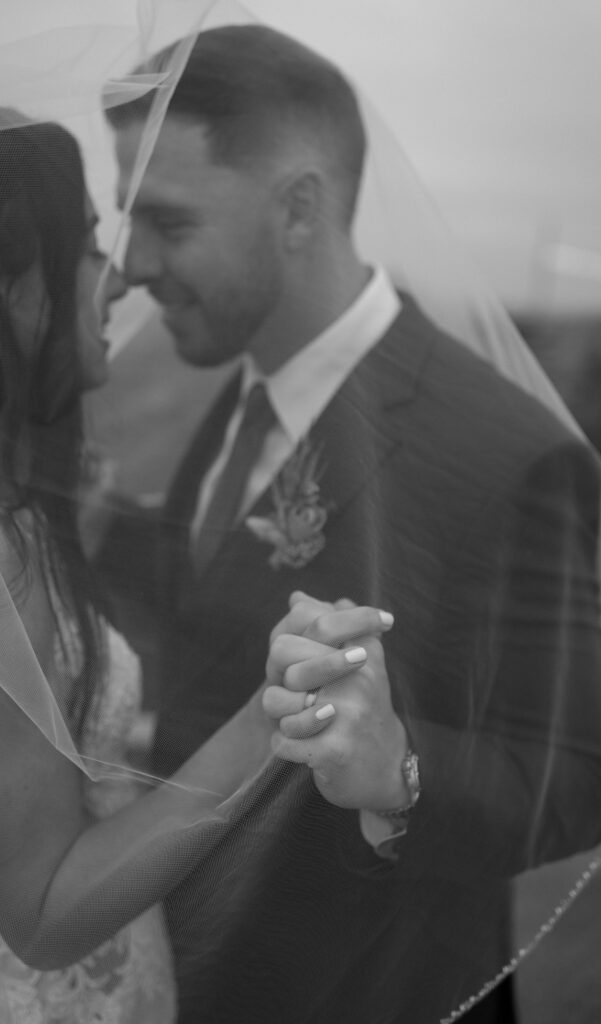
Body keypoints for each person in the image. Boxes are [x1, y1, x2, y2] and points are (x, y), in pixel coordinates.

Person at [105, 23, 601, 1024]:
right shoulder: (239, 397)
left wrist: (401, 770)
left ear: (299, 208)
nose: (131, 265)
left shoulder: (509, 454)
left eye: (167, 221)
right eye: (126, 220)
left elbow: (579, 774)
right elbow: (216, 630)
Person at [0, 103, 384, 1023]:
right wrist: (275, 714)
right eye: (89, 246)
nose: (118, 277)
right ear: (12, 291)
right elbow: (45, 912)